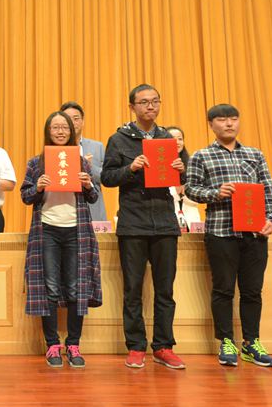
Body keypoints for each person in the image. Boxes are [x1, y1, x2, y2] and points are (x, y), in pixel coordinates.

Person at [101, 84, 186, 370]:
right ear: (132, 107)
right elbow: (107, 178)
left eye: (155, 101)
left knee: (165, 290)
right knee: (133, 289)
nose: (150, 106)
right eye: (144, 102)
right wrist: (131, 168)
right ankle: (136, 347)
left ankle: (163, 346)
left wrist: (182, 170)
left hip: (165, 222)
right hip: (133, 223)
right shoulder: (119, 139)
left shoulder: (167, 138)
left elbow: (183, 178)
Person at [185, 104, 272, 367]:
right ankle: (226, 341)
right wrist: (215, 193)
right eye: (223, 120)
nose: (229, 124)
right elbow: (191, 189)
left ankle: (251, 342)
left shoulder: (255, 154)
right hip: (221, 232)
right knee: (223, 289)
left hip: (254, 234)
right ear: (211, 124)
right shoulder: (201, 156)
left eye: (234, 119)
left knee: (252, 291)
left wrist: (270, 218)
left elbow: (267, 189)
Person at [21, 111, 102, 368]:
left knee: (77, 288)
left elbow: (94, 197)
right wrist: (38, 187)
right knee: (50, 288)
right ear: (48, 131)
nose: (60, 132)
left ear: (72, 131)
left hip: (76, 231)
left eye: (64, 127)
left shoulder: (81, 162)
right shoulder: (37, 163)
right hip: (47, 230)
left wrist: (88, 185)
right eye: (55, 127)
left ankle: (74, 344)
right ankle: (52, 344)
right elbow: (25, 196)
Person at [60, 102, 107, 222]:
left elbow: (107, 178)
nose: (72, 122)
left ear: (83, 122)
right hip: (64, 212)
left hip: (93, 210)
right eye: (68, 119)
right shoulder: (56, 149)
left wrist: (89, 166)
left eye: (76, 119)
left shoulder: (97, 147)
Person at [166, 126, 201, 229]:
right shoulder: (159, 167)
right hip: (168, 218)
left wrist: (185, 192)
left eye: (180, 139)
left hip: (192, 216)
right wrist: (176, 192)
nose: (177, 142)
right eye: (172, 139)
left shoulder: (192, 163)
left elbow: (198, 196)